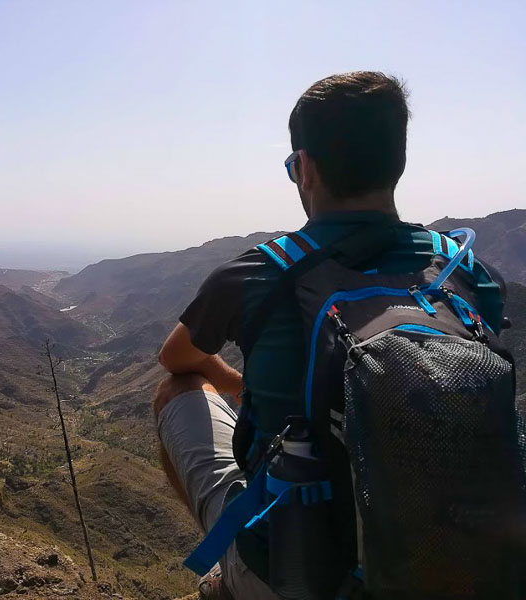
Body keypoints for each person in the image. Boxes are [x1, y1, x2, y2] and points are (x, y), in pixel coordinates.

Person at [152, 72, 506, 599]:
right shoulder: (466, 270)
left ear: (306, 168)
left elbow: (175, 358)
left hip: (294, 575)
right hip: (450, 563)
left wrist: (234, 382)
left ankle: (234, 575)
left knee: (175, 392)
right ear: (398, 164)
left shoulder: (261, 272)